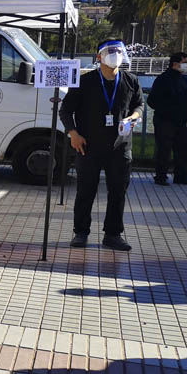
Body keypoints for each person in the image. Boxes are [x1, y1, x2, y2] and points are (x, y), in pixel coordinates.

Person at [59, 38, 143, 251]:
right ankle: (81, 232)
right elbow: (65, 110)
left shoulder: (131, 80)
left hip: (120, 147)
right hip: (88, 146)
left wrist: (133, 117)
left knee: (118, 191)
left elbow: (139, 106)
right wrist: (73, 133)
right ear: (99, 57)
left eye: (119, 51)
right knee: (85, 190)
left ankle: (113, 235)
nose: (115, 54)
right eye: (110, 51)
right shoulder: (84, 81)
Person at [148, 52, 187, 186]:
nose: (186, 65)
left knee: (183, 148)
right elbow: (152, 101)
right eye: (184, 62)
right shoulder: (163, 79)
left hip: (181, 121)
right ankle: (161, 177)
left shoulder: (184, 80)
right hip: (165, 121)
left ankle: (181, 176)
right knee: (164, 149)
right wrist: (166, 111)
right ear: (175, 63)